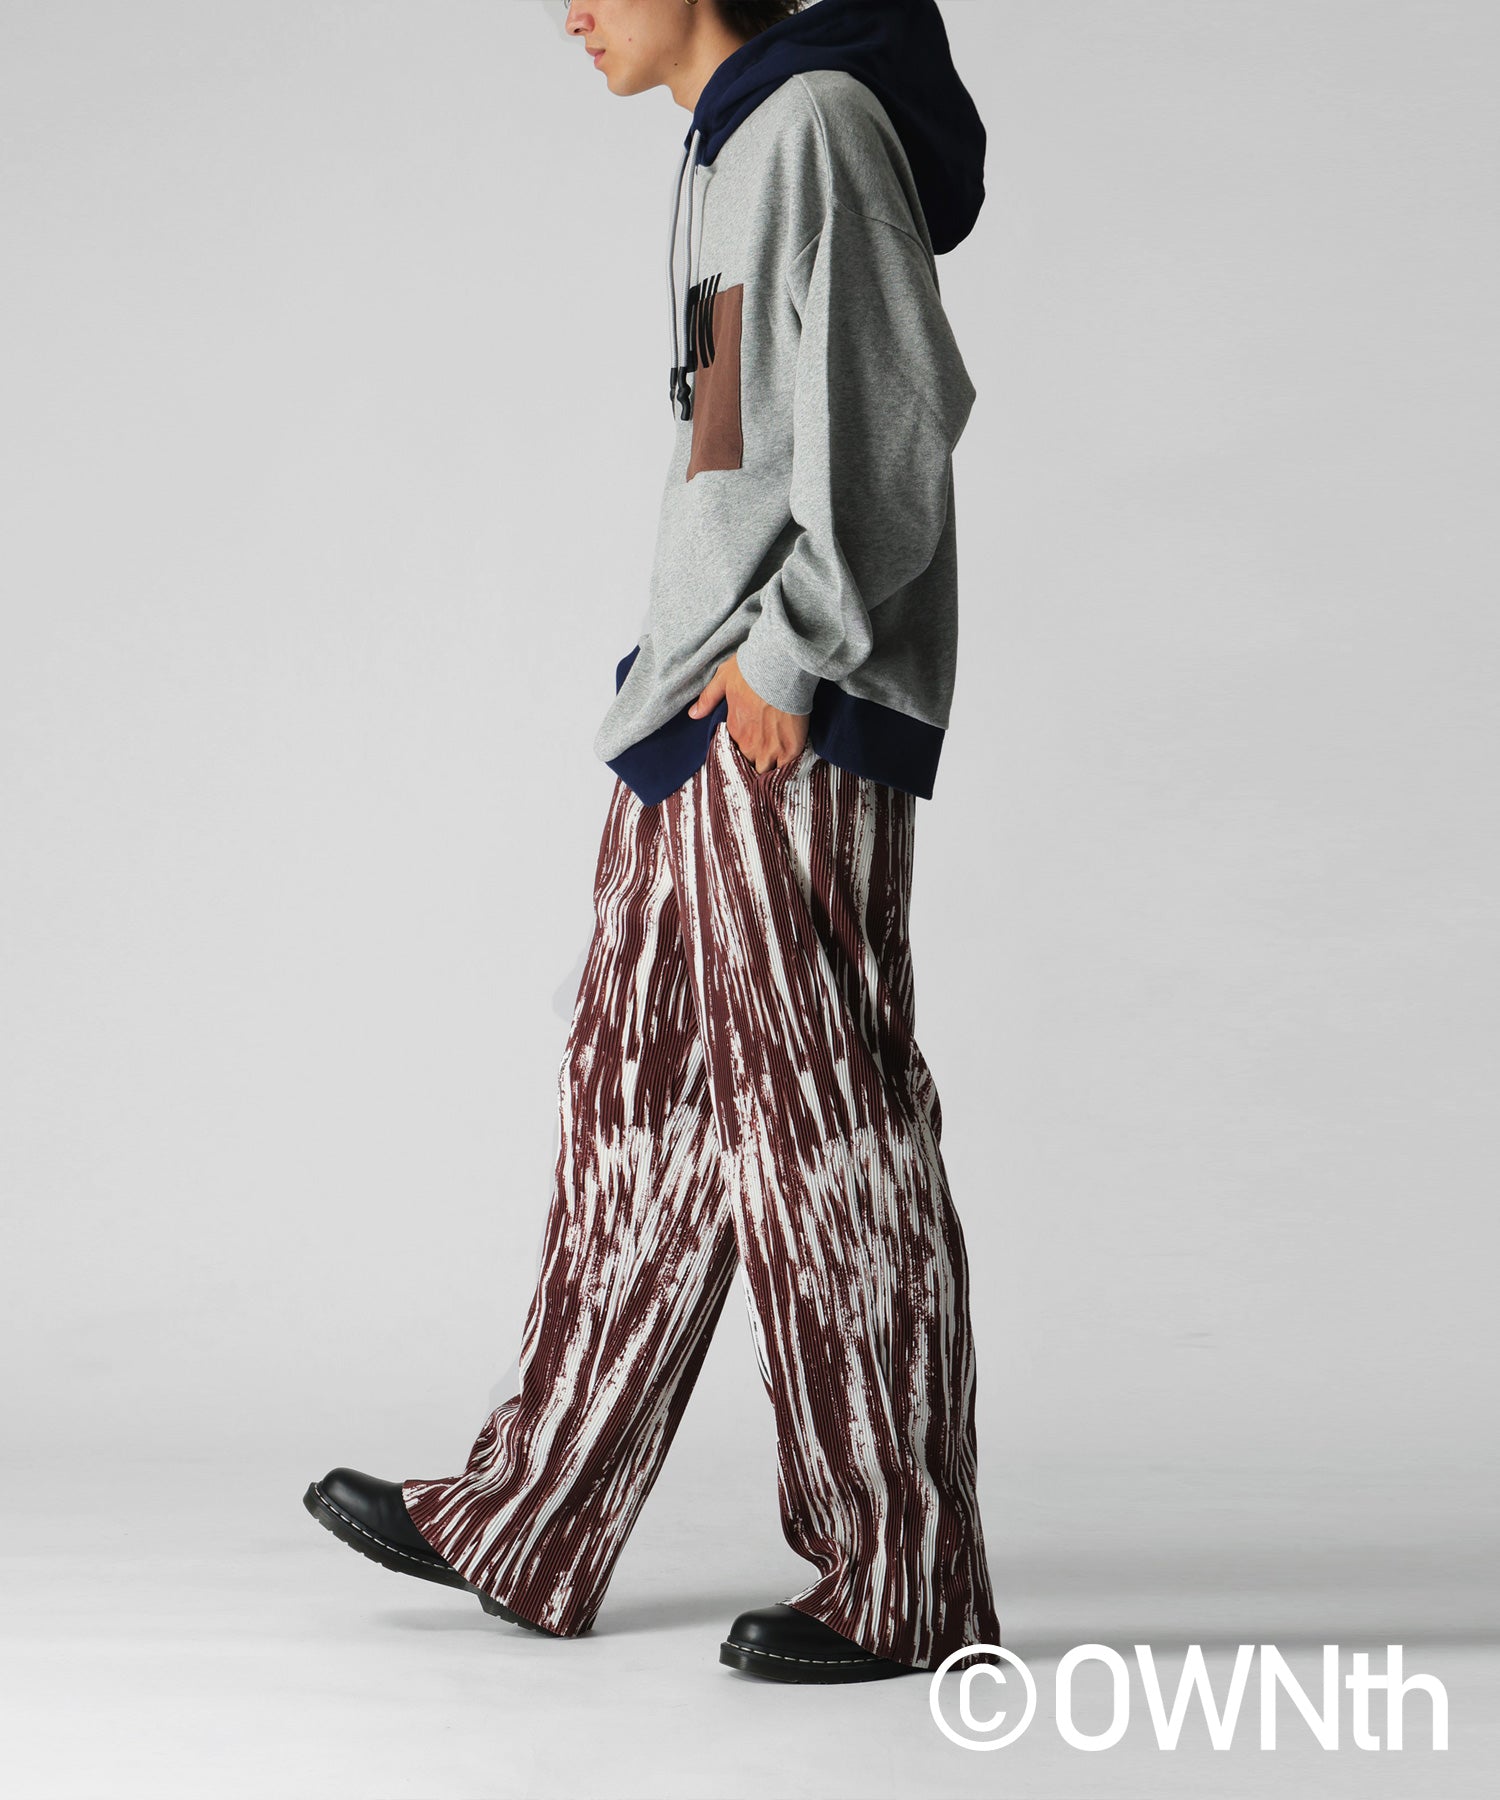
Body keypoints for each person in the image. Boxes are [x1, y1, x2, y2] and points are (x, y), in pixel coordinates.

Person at [305, 0, 1002, 1685]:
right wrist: (688, 670)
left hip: (793, 711)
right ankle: (536, 1509)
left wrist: (788, 655)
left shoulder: (816, 125)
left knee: (822, 1136)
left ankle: (904, 1570)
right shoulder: (737, 140)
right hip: (697, 710)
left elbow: (901, 414)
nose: (568, 10)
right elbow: (738, 449)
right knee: (640, 1107)